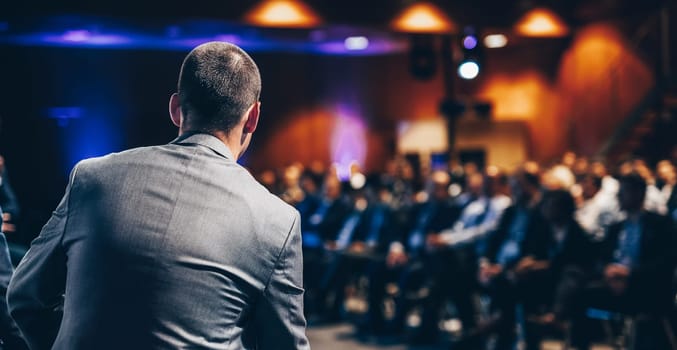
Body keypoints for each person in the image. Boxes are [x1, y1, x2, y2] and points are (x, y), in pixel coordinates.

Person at [8, 42, 309, 350]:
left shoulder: (91, 177)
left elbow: (24, 297)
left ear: (176, 108)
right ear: (253, 116)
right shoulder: (277, 220)